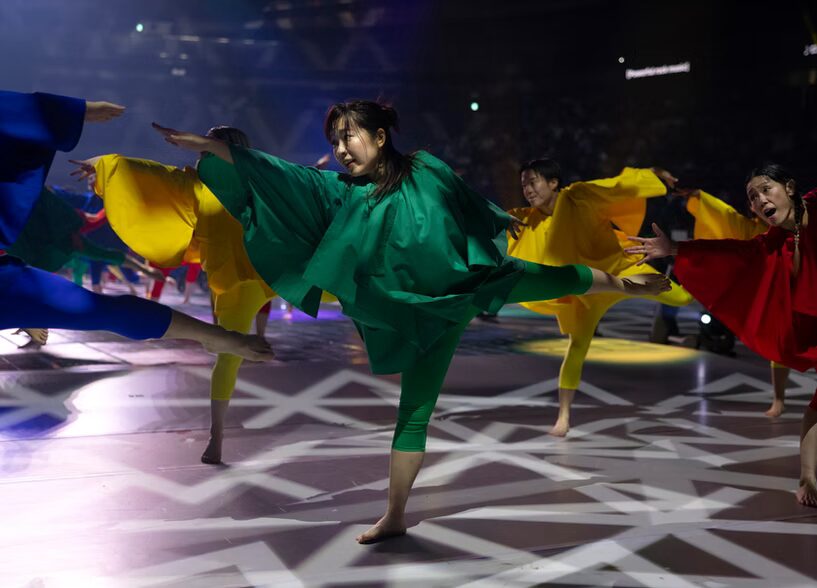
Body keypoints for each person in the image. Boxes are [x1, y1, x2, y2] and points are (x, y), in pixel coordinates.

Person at [154, 99, 671, 542]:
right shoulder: (340, 192)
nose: (341, 149)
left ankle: (625, 284)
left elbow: (460, 195)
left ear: (380, 136)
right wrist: (216, 149)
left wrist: (494, 217)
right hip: (415, 312)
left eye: (349, 137)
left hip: (466, 285)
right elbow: (276, 173)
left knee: (559, 279)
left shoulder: (424, 166)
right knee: (413, 414)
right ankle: (396, 515)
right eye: (334, 140)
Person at [0, 90, 273, 361]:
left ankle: (222, 335)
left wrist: (73, 115)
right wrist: (102, 160)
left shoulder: (257, 185)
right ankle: (220, 334)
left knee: (102, 299)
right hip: (215, 251)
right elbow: (158, 177)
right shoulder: (200, 183)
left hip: (254, 253)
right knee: (105, 291)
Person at [625, 163, 817, 507]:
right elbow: (730, 252)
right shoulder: (770, 244)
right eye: (753, 197)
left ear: (788, 187)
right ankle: (808, 477)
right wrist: (675, 250)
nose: (760, 200)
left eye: (765, 189)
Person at [507, 158, 693, 435]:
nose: (527, 190)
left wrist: (653, 173)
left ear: (553, 182)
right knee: (577, 347)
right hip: (585, 293)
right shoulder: (523, 219)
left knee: (682, 299)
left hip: (621, 270)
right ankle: (563, 418)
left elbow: (618, 185)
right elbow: (485, 222)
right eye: (523, 185)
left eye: (532, 182)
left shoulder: (579, 195)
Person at [680, 187, 789, 417]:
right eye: (754, 200)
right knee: (778, 348)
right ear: (752, 209)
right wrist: (699, 198)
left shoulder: (796, 224)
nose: (761, 202)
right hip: (778, 300)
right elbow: (725, 216)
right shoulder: (752, 230)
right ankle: (778, 400)